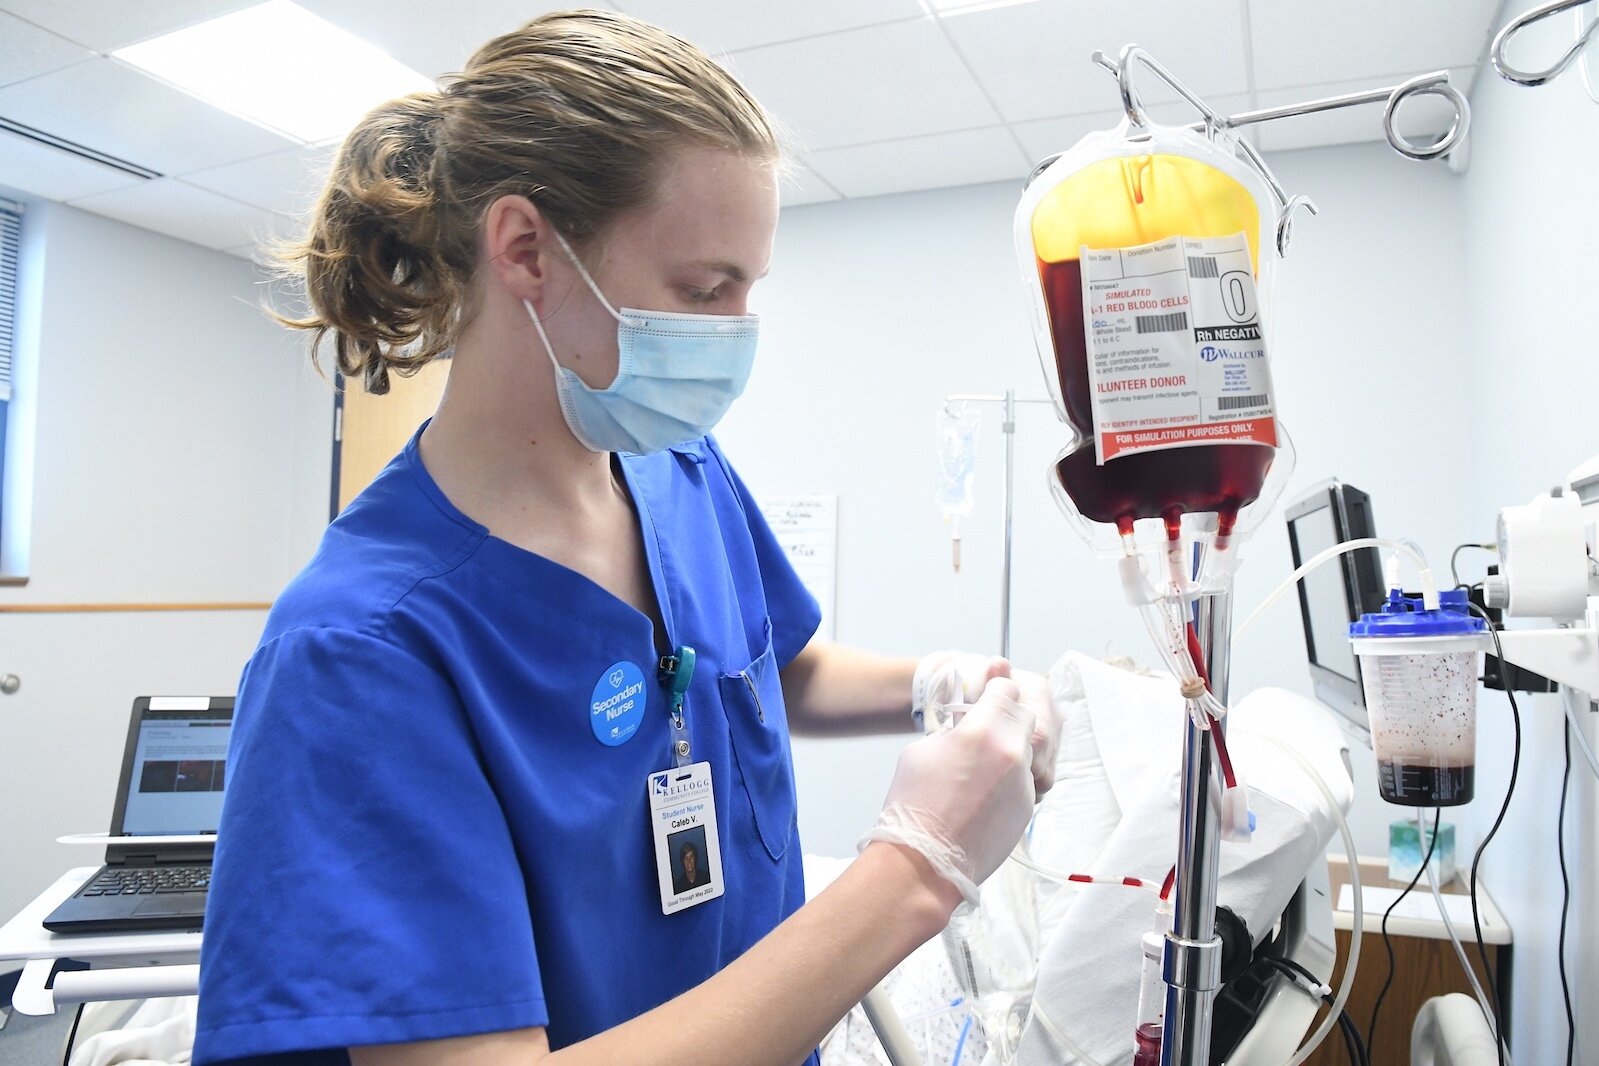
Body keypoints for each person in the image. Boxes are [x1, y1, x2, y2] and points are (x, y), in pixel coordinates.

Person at [193, 10, 1063, 1065]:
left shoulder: (677, 472)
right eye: (706, 289)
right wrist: (915, 869)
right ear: (525, 251)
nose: (740, 329)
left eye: (751, 287)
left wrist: (940, 682)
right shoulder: (361, 654)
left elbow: (771, 673)